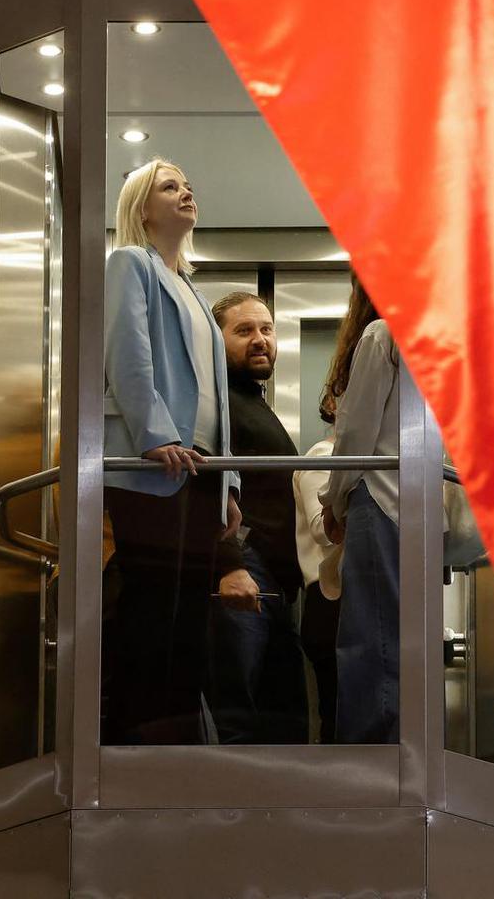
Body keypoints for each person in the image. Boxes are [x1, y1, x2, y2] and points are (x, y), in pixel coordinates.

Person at [101, 158, 242, 745]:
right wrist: (155, 433)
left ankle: (176, 747)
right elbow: (126, 352)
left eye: (188, 184)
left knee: (187, 619)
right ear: (141, 208)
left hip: (200, 470)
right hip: (152, 464)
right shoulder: (130, 263)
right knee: (154, 612)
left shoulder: (188, 285)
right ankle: (138, 743)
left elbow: (216, 398)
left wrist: (229, 485)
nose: (186, 191)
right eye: (169, 186)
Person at [205, 292, 309, 743]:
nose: (260, 340)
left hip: (274, 578)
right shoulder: (213, 401)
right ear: (215, 339)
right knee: (238, 716)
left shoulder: (253, 403)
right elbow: (203, 483)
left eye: (266, 329)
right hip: (243, 564)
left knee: (279, 718)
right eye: (243, 331)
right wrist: (229, 563)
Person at [322, 278, 403, 744]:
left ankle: (368, 762)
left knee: (368, 639)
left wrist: (334, 501)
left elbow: (355, 439)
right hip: (423, 506)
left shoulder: (380, 335)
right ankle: (407, 756)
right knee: (406, 639)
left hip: (380, 496)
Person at [293, 408, 342, 742]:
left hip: (342, 598)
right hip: (331, 601)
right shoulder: (323, 456)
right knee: (338, 713)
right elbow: (322, 529)